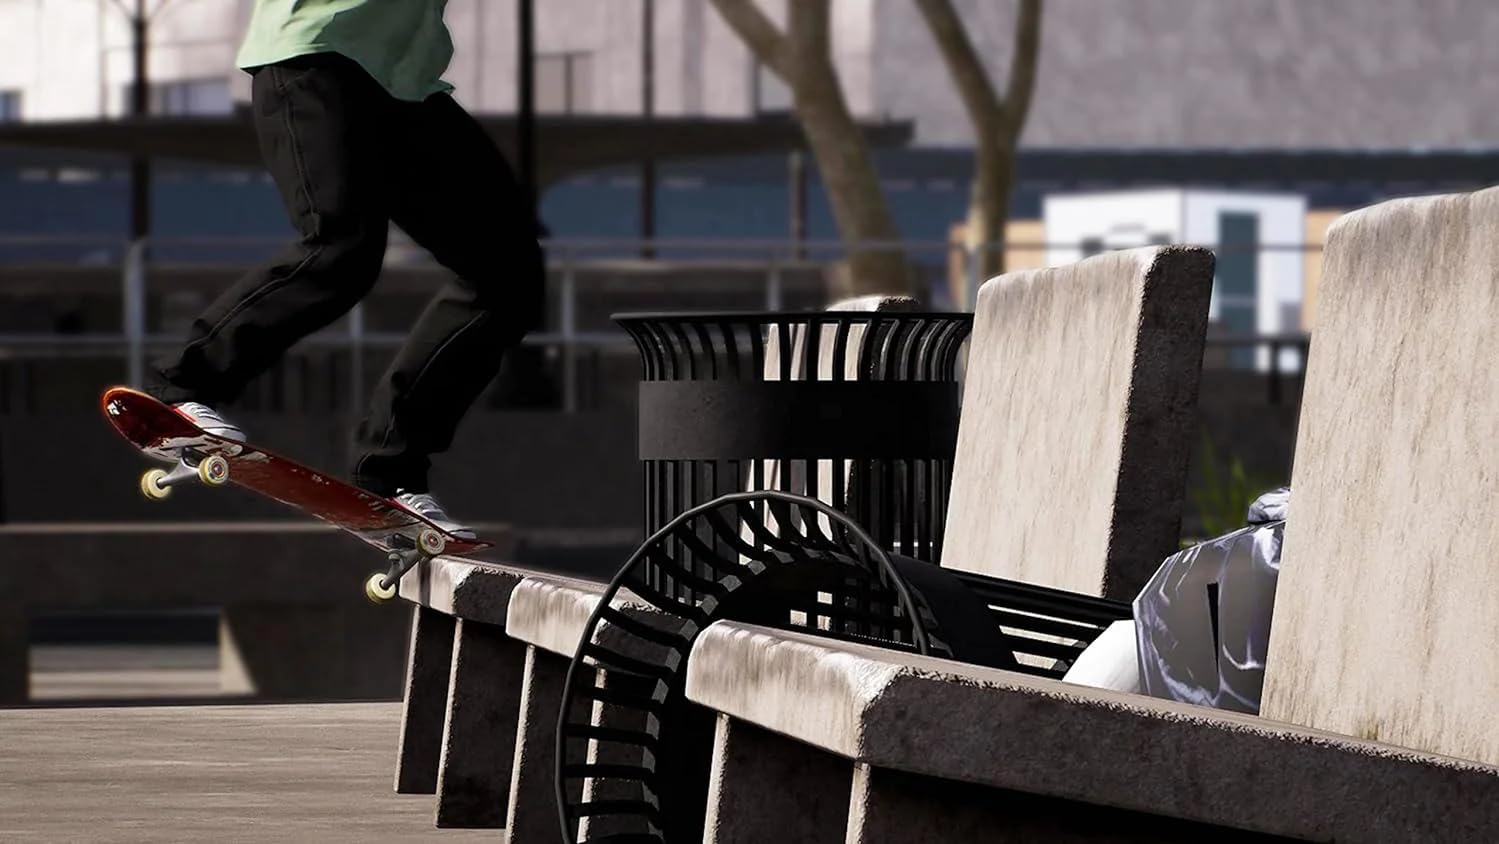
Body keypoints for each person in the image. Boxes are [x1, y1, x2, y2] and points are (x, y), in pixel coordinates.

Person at [148, 0, 545, 538]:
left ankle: (389, 474)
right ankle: (180, 387)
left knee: (507, 275)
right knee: (340, 248)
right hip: (314, 53)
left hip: (406, 83)